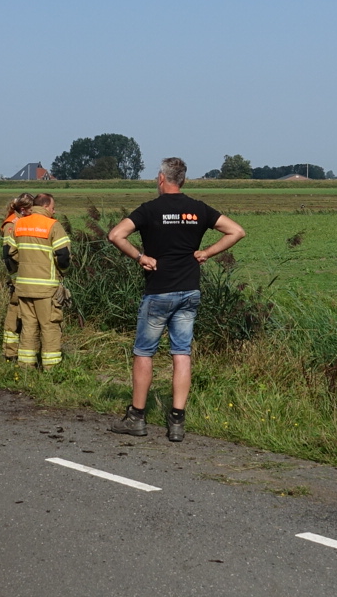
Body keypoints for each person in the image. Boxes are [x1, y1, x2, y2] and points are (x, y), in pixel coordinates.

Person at [105, 157, 245, 441]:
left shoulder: (149, 210)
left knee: (144, 352)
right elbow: (237, 231)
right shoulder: (198, 209)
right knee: (181, 352)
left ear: (160, 179)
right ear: (182, 180)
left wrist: (140, 257)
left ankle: (137, 417)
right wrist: (206, 252)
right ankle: (177, 421)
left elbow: (115, 235)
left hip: (158, 290)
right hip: (189, 289)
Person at [6, 192, 71, 369]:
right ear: (44, 206)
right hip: (46, 288)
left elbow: (9, 254)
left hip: (24, 287)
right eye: (52, 207)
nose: (54, 210)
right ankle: (51, 369)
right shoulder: (53, 225)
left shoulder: (19, 224)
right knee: (50, 326)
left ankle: (26, 367)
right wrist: (62, 273)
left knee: (28, 327)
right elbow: (63, 256)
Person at [0, 194, 36, 360]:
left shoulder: (21, 222)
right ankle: (9, 351)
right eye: (31, 209)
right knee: (14, 314)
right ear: (23, 209)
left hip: (24, 275)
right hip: (17, 275)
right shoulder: (11, 224)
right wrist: (15, 276)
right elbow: (8, 255)